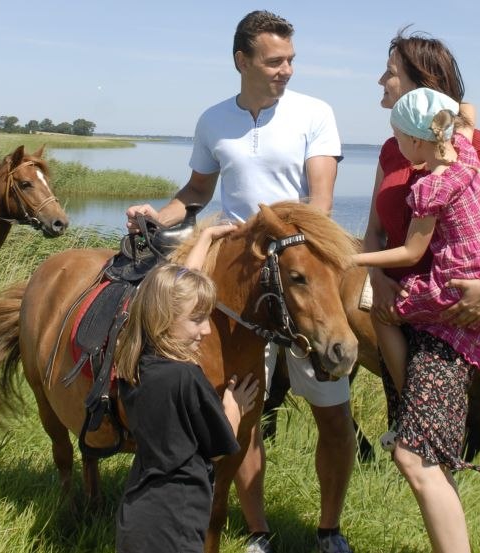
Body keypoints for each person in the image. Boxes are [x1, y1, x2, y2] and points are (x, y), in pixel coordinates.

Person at [125, 11, 354, 553]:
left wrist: (279, 239)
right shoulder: (212, 121)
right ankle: (257, 534)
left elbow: (319, 206)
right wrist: (160, 216)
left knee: (333, 412)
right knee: (241, 411)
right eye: (275, 61)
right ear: (241, 61)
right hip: (233, 283)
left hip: (297, 276)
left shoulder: (314, 114)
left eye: (291, 60)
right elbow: (198, 191)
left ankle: (329, 530)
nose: (286, 70)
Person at [359, 31, 480, 553]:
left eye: (390, 70)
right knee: (430, 456)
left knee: (417, 456)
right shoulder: (394, 149)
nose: (380, 79)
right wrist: (375, 281)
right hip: (405, 312)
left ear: (421, 83)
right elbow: (375, 229)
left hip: (453, 313)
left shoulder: (471, 147)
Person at [114, 224, 258, 553]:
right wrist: (233, 408)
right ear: (165, 318)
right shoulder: (185, 378)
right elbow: (219, 448)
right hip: (175, 523)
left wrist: (205, 240)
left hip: (138, 515)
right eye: (197, 319)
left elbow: (171, 292)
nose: (206, 329)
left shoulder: (135, 363)